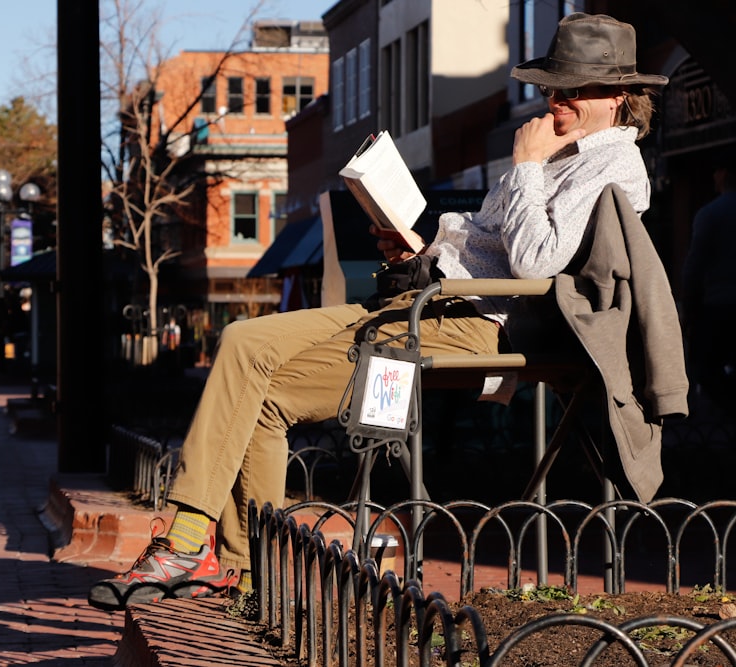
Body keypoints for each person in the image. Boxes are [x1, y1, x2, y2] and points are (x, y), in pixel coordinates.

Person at [87, 12, 675, 611]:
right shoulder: (554, 153)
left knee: (263, 392)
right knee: (242, 341)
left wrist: (523, 165)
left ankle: (201, 551)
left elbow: (535, 263)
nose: (556, 102)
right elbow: (491, 237)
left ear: (619, 97)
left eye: (573, 90)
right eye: (552, 88)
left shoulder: (613, 167)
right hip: (425, 301)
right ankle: (225, 559)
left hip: (479, 326)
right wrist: (420, 246)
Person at [681, 153, 736, 409]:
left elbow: (694, 267)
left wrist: (689, 310)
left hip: (719, 307)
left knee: (708, 368)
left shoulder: (710, 214)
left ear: (723, 174)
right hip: (719, 303)